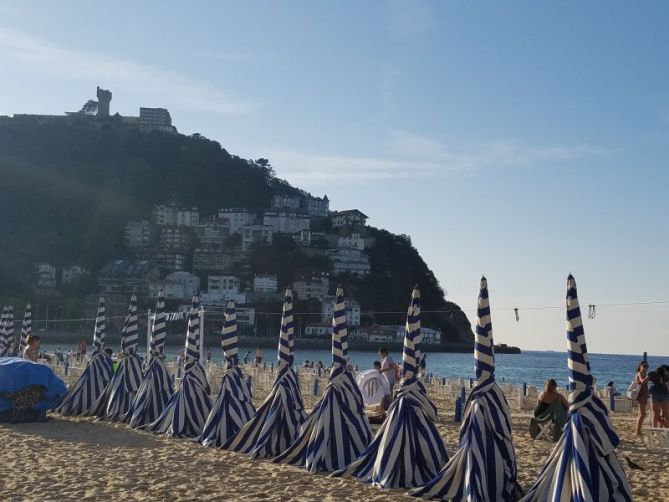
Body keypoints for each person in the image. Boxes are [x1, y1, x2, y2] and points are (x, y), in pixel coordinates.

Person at [634, 361, 650, 435]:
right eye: (644, 366)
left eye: (647, 366)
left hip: (644, 395)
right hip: (641, 395)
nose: (646, 368)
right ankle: (638, 431)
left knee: (640, 414)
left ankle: (638, 430)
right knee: (642, 414)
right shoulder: (639, 373)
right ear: (640, 366)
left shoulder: (645, 374)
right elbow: (642, 381)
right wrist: (649, 377)